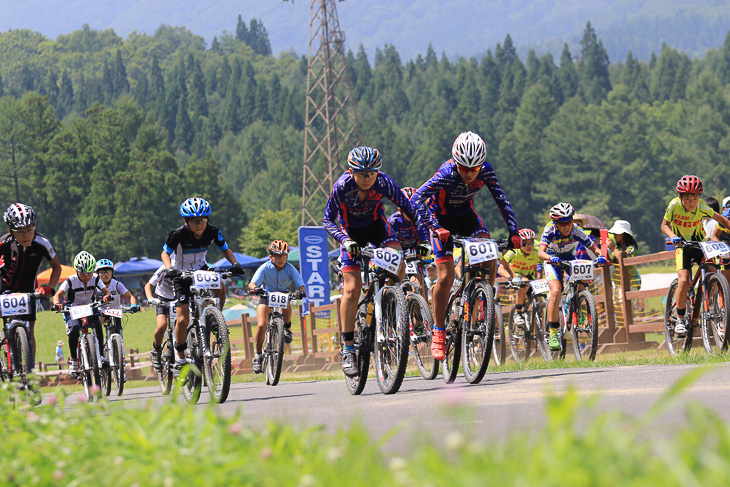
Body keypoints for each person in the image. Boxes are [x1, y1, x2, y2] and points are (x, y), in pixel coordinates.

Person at [411, 131, 522, 361]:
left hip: (466, 217)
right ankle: (439, 332)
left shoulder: (486, 171)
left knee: (490, 255)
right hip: (440, 221)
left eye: (475, 169)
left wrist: (514, 231)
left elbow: (501, 200)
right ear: (456, 162)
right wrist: (435, 228)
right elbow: (416, 199)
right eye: (464, 168)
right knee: (445, 276)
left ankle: (483, 303)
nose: (470, 174)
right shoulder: (446, 173)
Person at [322, 146, 422, 376]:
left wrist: (425, 237)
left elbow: (410, 210)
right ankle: (347, 348)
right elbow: (328, 220)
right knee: (351, 289)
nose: (367, 179)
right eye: (361, 174)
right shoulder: (342, 186)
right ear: (351, 172)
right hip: (351, 234)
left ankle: (390, 306)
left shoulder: (384, 183)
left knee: (398, 262)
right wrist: (345, 241)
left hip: (378, 229)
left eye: (371, 173)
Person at [161, 197, 245, 375]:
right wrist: (169, 269)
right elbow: (165, 254)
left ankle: (216, 319)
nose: (199, 225)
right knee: (182, 319)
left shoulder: (213, 231)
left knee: (220, 283)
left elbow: (225, 249)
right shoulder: (177, 234)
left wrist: (235, 263)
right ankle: (180, 357)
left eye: (202, 221)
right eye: (194, 222)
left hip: (201, 267)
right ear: (186, 222)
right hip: (181, 272)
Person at [661, 175, 730, 337]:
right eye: (687, 199)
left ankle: (707, 303)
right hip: (682, 246)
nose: (692, 202)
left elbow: (724, 221)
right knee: (684, 280)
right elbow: (664, 225)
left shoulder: (702, 207)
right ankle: (679, 319)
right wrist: (672, 236)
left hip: (699, 244)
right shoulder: (674, 205)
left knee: (713, 271)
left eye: (695, 198)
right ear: (680, 197)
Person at [537, 203, 607, 351]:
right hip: (552, 260)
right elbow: (540, 252)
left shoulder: (577, 230)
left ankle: (578, 306)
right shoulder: (549, 230)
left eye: (569, 221)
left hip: (569, 258)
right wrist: (550, 257)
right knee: (555, 291)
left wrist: (601, 256)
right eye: (562, 223)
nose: (567, 226)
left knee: (582, 281)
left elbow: (593, 247)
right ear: (556, 223)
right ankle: (553, 332)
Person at [0, 203, 63, 361]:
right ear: (10, 231)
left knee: (29, 330)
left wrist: (49, 287)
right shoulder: (4, 242)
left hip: (27, 287)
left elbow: (56, 267)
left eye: (30, 228)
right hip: (4, 284)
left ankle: (30, 372)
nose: (26, 235)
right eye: (20, 231)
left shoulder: (42, 243)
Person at [247, 240, 306, 374]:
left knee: (287, 299)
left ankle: (286, 328)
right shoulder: (265, 267)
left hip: (282, 295)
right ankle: (258, 356)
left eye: (284, 256)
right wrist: (256, 289)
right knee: (262, 325)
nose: (281, 259)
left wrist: (301, 291)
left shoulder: (290, 268)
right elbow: (252, 283)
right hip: (266, 294)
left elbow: (300, 284)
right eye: (277, 256)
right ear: (271, 257)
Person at [52, 251, 111, 379]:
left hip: (90, 307)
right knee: (74, 330)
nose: (87, 277)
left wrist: (107, 296)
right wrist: (57, 304)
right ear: (77, 271)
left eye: (90, 273)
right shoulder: (70, 281)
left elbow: (106, 291)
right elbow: (57, 295)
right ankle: (74, 360)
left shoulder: (95, 278)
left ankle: (100, 356)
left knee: (97, 325)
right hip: (73, 310)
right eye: (84, 274)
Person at [387, 187, 432, 300]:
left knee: (420, 288)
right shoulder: (393, 221)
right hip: (397, 254)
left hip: (414, 256)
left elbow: (427, 241)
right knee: (389, 285)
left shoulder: (423, 220)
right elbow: (384, 240)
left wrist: (429, 253)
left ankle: (422, 316)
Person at [497, 228, 542, 328]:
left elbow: (541, 269)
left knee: (540, 302)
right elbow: (501, 269)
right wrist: (510, 278)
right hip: (516, 275)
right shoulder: (514, 252)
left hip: (531, 276)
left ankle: (540, 333)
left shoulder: (536, 252)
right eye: (525, 243)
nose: (529, 246)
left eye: (531, 243)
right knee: (525, 282)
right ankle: (518, 312)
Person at [144, 265, 176, 371]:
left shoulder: (187, 265)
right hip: (163, 298)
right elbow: (148, 286)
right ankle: (157, 350)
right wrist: (150, 299)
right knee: (162, 325)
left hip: (179, 298)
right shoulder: (164, 268)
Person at [606, 220, 641, 291]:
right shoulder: (617, 248)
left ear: (624, 234)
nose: (615, 235)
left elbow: (624, 260)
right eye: (614, 233)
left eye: (617, 233)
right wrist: (605, 250)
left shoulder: (631, 247)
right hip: (618, 283)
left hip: (630, 284)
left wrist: (612, 248)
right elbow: (611, 262)